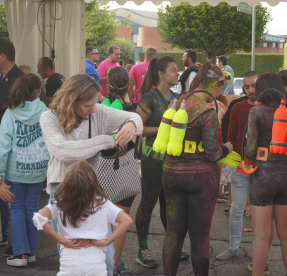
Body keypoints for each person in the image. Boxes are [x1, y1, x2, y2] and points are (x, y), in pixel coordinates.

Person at [39, 74, 143, 276]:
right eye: (87, 105)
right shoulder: (49, 117)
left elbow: (136, 117)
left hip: (93, 189)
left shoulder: (97, 112)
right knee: (70, 252)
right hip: (62, 188)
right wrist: (107, 140)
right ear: (72, 101)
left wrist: (131, 124)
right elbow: (63, 150)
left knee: (102, 252)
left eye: (94, 103)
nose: (93, 109)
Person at [162, 62, 233, 276]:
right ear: (212, 85)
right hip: (201, 177)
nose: (219, 92)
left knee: (173, 233)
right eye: (219, 87)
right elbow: (212, 153)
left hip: (171, 173)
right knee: (200, 235)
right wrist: (227, 149)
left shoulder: (176, 102)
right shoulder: (206, 110)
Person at [33, 161, 133, 276]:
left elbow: (38, 219)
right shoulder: (103, 203)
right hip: (95, 260)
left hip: (70, 259)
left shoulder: (60, 204)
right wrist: (107, 241)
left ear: (67, 183)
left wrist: (60, 240)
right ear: (93, 182)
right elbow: (127, 221)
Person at [134, 56, 183, 268]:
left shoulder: (175, 97)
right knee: (148, 202)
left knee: (169, 203)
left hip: (171, 159)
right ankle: (142, 249)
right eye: (173, 70)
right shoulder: (149, 98)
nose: (177, 73)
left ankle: (171, 247)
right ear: (161, 74)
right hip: (152, 159)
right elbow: (137, 129)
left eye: (177, 70)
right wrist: (165, 126)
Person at [245, 72, 287, 275]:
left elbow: (249, 150)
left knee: (262, 237)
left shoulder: (257, 111)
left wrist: (248, 162)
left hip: (263, 176)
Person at [0, 73, 49, 266]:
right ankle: (31, 252)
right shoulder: (45, 110)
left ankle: (19, 253)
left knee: (17, 209)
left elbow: (3, 146)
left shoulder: (11, 113)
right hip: (38, 170)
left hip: (16, 170)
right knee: (32, 208)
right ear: (37, 91)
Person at [216, 71, 265, 261]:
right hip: (240, 167)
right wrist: (237, 162)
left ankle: (259, 252)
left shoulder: (270, 108)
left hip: (262, 169)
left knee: (259, 213)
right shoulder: (237, 107)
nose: (251, 90)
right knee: (236, 209)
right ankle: (234, 247)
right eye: (246, 87)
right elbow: (231, 137)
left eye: (254, 85)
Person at [105, 66, 137, 275]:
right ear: (129, 85)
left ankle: (109, 265)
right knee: (120, 223)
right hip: (125, 172)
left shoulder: (101, 106)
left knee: (103, 222)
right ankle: (114, 267)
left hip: (102, 172)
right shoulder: (132, 112)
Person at [0, 38, 24, 251]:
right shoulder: (4, 78)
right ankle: (8, 237)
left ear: (2, 56)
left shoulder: (19, 80)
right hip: (4, 142)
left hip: (14, 146)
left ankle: (16, 244)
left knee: (12, 196)